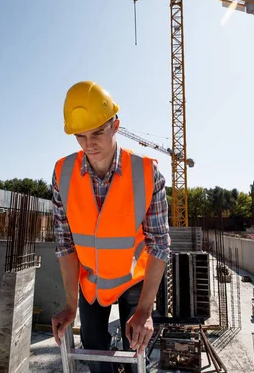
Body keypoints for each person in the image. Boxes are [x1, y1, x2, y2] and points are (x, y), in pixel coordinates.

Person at [50, 81, 171, 373]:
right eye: (80, 136)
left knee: (135, 353)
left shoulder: (145, 172)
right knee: (95, 357)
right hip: (92, 282)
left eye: (97, 133)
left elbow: (159, 244)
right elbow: (65, 244)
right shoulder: (62, 174)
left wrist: (145, 310)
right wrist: (70, 303)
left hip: (134, 278)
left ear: (115, 125)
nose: (89, 144)